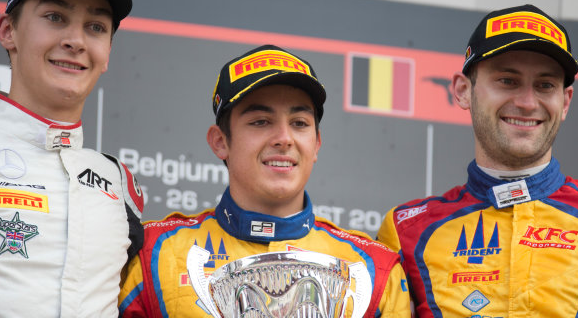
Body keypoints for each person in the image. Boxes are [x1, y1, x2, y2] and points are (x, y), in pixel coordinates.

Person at [118, 44, 411, 317]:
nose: (284, 139)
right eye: (261, 122)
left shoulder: (375, 269)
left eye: (299, 124)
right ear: (220, 142)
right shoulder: (155, 256)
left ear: (317, 144)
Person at [377, 4, 578, 317]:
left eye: (545, 85)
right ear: (463, 90)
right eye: (507, 80)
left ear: (565, 102)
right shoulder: (405, 230)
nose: (526, 102)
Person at [0, 0, 144, 316]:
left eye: (96, 27)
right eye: (55, 16)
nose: (76, 41)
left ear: (108, 51)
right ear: (8, 30)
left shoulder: (121, 184)